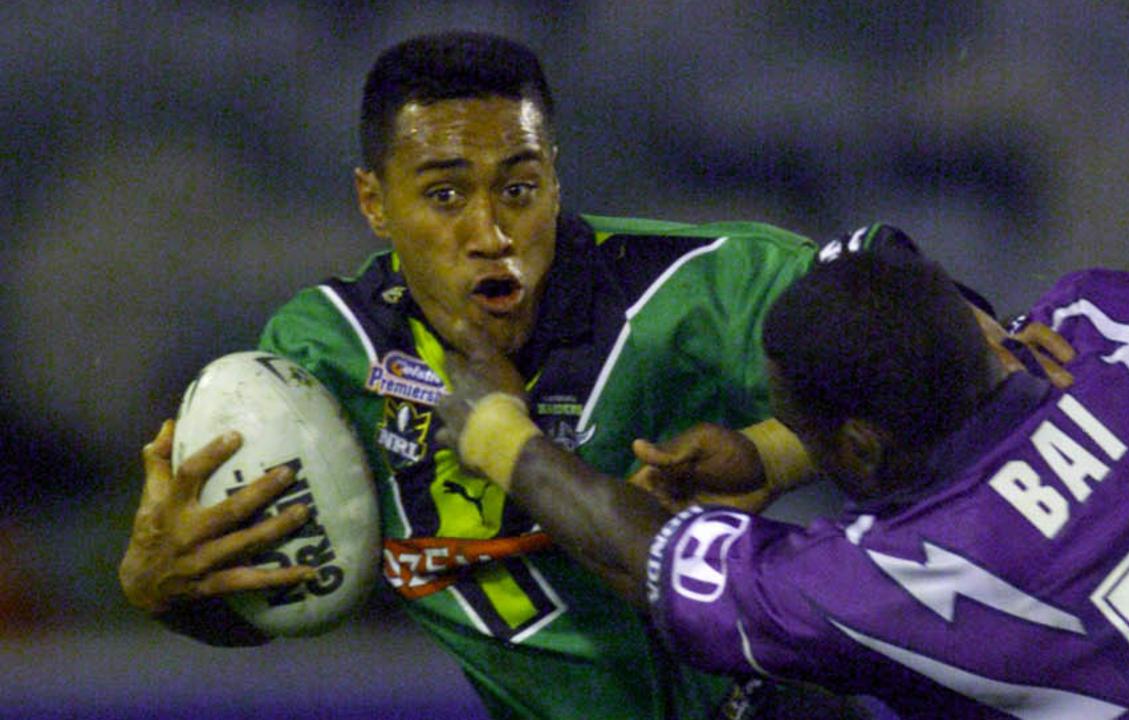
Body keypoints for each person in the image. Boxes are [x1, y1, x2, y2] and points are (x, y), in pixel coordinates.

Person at [118, 30, 880, 719]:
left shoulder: (699, 287)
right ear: (374, 202)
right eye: (444, 194)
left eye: (518, 188)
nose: (491, 234)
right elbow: (289, 597)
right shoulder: (324, 354)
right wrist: (167, 595)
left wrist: (773, 454)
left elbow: (947, 383)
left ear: (553, 176)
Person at [436, 226, 1129, 718]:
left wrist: (498, 433)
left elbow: (647, 560)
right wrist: (772, 453)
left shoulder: (894, 580)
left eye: (805, 426)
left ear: (866, 445)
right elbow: (986, 350)